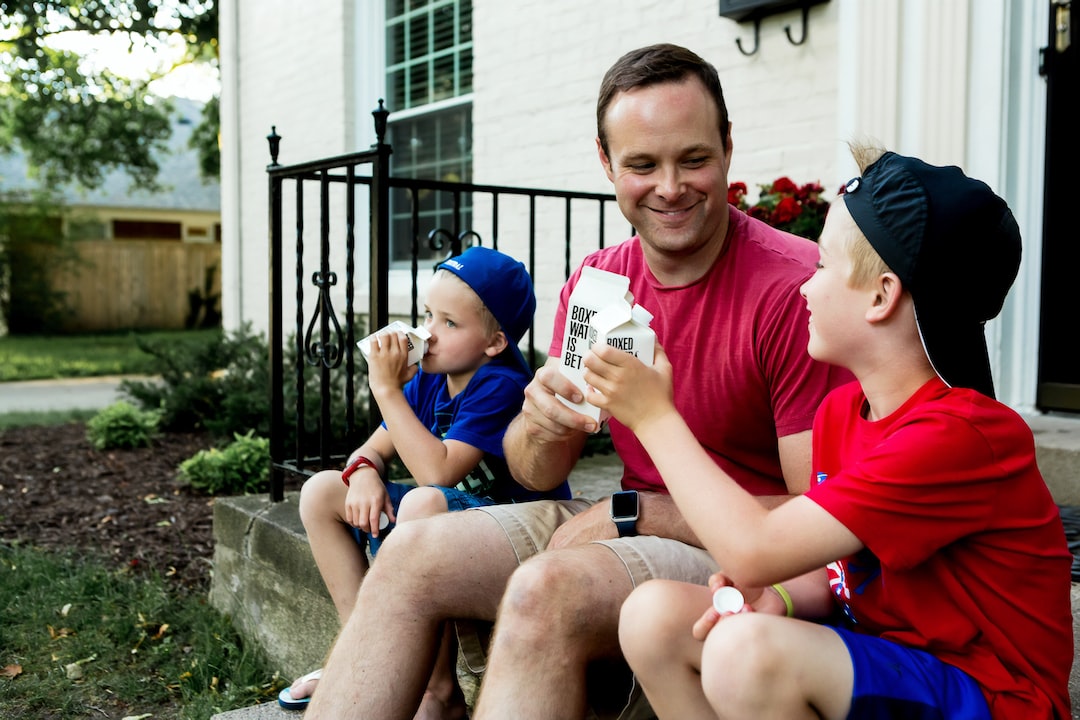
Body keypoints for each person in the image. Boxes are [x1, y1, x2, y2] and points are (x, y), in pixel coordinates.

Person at [304, 42, 851, 720]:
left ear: (729, 148)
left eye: (694, 158)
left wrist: (637, 513)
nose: (671, 186)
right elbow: (538, 473)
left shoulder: (794, 290)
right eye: (643, 164)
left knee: (546, 589)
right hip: (622, 526)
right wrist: (538, 421)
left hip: (734, 551)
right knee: (411, 547)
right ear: (606, 164)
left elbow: (822, 518)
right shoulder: (600, 282)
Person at [608, 144, 1074, 719]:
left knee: (746, 652)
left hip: (994, 696)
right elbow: (839, 577)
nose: (805, 285)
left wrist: (655, 416)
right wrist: (776, 595)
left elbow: (754, 549)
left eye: (823, 267)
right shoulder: (842, 411)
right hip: (887, 658)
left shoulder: (960, 436)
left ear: (882, 296)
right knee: (652, 615)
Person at [278, 245, 571, 711]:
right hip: (448, 524)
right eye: (427, 314)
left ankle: (438, 691)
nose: (427, 334)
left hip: (508, 533)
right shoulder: (434, 375)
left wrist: (386, 389)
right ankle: (363, 651)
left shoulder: (501, 383)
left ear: (494, 342)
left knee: (423, 502)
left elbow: (438, 471)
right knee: (321, 491)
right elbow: (374, 447)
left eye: (449, 323)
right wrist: (365, 473)